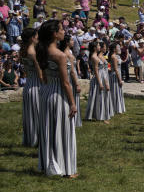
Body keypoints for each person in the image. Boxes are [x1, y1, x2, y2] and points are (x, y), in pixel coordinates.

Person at [36, 20, 78, 178]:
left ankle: (50, 165)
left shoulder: (42, 50)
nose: (63, 32)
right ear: (54, 34)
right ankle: (64, 168)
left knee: (49, 128)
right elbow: (66, 83)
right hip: (58, 94)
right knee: (62, 129)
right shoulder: (59, 55)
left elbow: (44, 76)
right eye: (61, 29)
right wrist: (73, 103)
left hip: (46, 92)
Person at [20, 28, 43, 147]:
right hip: (36, 85)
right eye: (36, 35)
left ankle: (30, 137)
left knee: (30, 114)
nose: (38, 37)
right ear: (32, 38)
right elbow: (40, 73)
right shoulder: (32, 53)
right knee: (38, 113)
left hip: (28, 84)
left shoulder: (22, 51)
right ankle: (37, 139)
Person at [85, 41, 112, 122]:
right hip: (98, 79)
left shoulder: (96, 56)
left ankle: (99, 115)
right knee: (98, 97)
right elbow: (96, 71)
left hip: (101, 77)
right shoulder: (94, 57)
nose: (99, 47)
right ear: (94, 48)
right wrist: (100, 83)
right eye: (98, 46)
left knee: (100, 97)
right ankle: (100, 116)